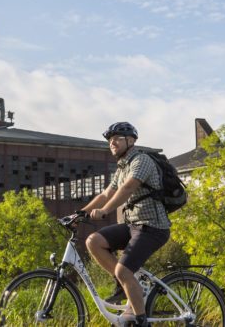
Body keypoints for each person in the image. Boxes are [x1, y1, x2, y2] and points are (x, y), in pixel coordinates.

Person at [80, 122, 170, 327]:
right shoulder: (122, 167)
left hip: (153, 227)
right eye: (110, 140)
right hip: (133, 226)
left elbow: (128, 188)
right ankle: (127, 287)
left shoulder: (142, 160)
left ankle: (140, 320)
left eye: (117, 138)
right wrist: (80, 213)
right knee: (94, 241)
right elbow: (106, 194)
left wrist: (105, 211)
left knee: (123, 270)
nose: (112, 142)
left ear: (131, 141)